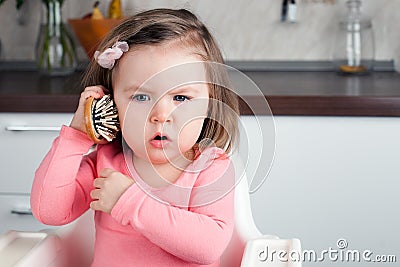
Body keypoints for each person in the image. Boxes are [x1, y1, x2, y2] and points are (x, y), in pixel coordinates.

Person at [31, 8, 240, 267]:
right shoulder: (105, 163)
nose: (161, 115)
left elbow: (208, 246)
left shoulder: (210, 169)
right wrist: (77, 135)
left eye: (181, 98)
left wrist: (129, 202)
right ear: (110, 102)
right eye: (141, 97)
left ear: (210, 103)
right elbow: (49, 211)